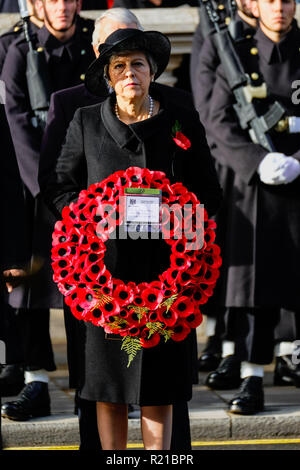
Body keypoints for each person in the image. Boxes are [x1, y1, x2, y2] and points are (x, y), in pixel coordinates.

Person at [40, 27, 222, 449]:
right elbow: (58, 186)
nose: (128, 74)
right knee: (109, 391)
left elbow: (208, 194)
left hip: (167, 281)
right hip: (106, 279)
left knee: (160, 387)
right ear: (107, 75)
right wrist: (93, 214)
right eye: (118, 66)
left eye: (137, 64)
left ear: (152, 70)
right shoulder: (85, 121)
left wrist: (178, 214)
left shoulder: (180, 118)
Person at [0, 0, 95, 422]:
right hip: (35, 190)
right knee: (32, 291)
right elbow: (16, 125)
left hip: (87, 187)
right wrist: (48, 188)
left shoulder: (94, 40)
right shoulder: (17, 48)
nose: (63, 6)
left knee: (88, 288)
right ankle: (36, 380)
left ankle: (90, 384)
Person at [205, 0, 300, 414]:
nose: (279, 7)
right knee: (254, 288)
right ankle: (252, 376)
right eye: (270, 0)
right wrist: (256, 161)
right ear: (255, 5)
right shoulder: (237, 52)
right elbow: (217, 119)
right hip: (258, 185)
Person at [190, 0, 257, 374]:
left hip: (266, 157)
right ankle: (221, 339)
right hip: (225, 156)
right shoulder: (214, 31)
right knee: (227, 257)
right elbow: (205, 100)